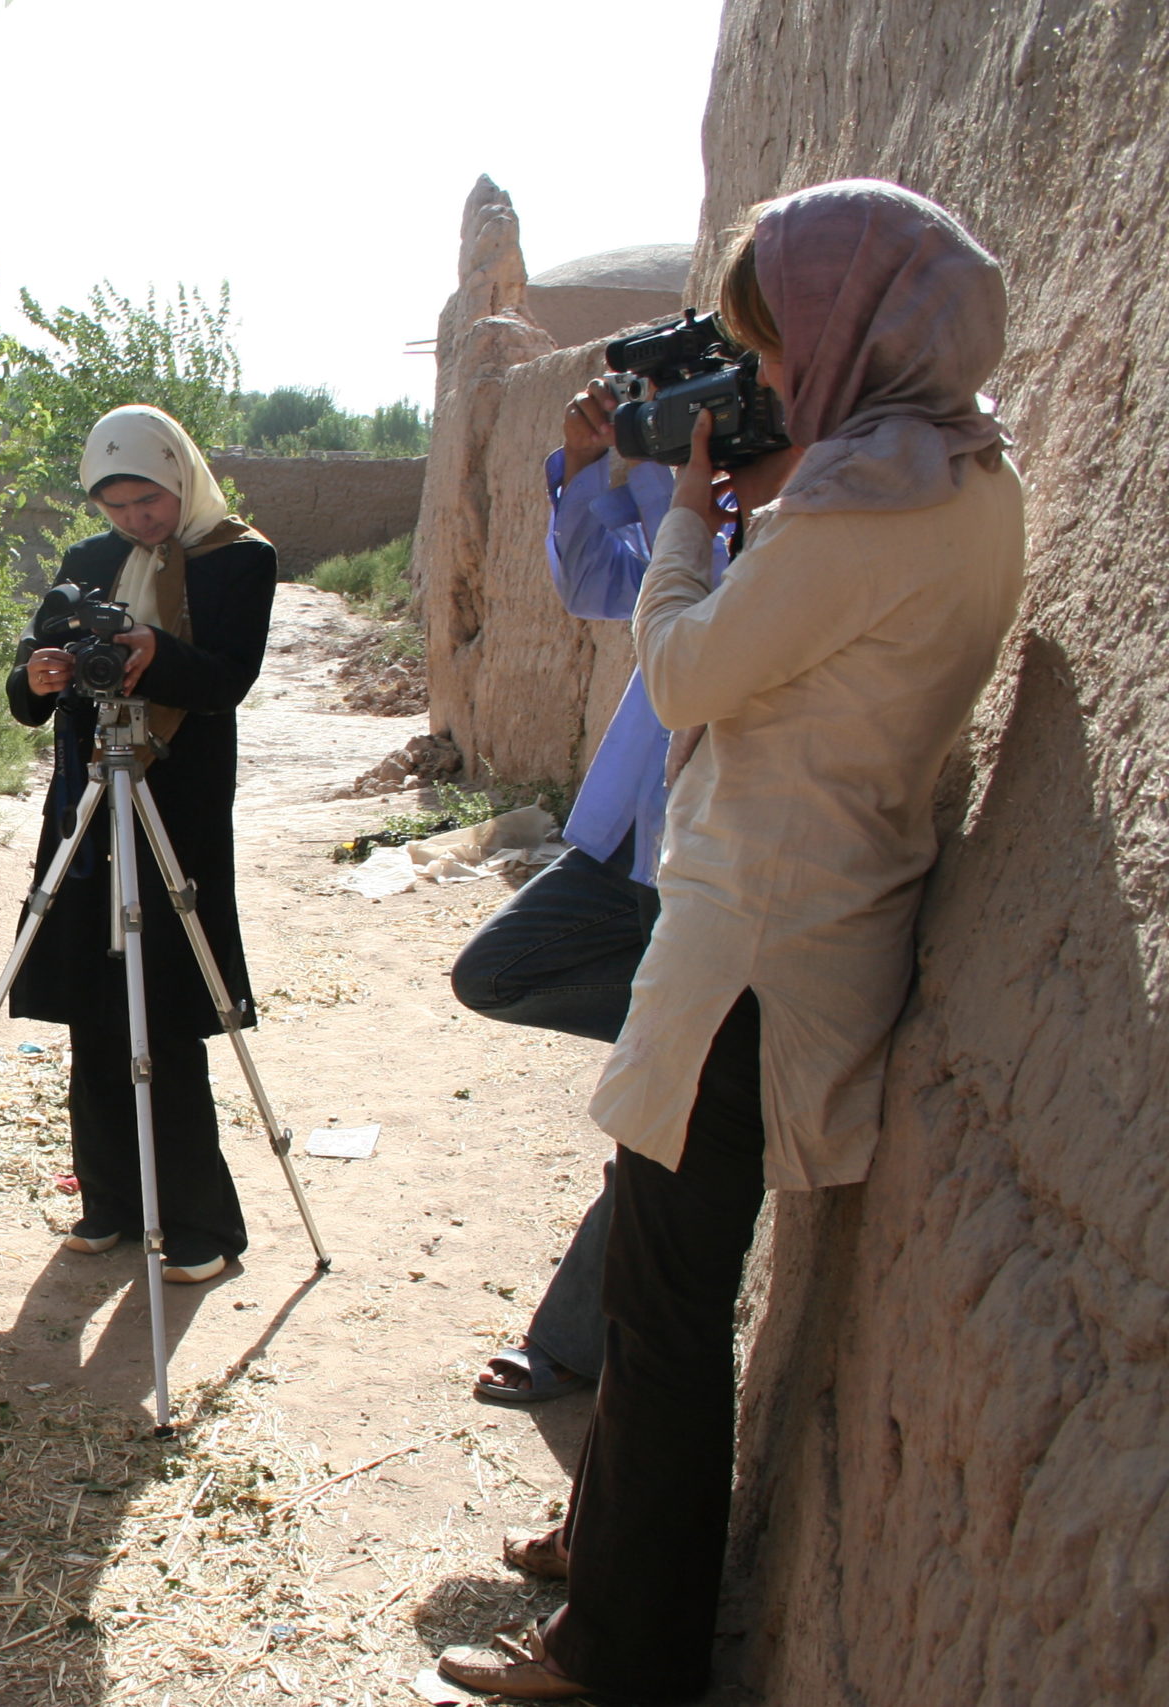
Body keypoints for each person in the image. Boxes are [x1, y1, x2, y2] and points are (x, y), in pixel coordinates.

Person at [439, 180, 1027, 1703]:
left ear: (841, 331)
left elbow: (691, 670)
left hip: (752, 950)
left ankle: (618, 1650)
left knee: (671, 1305)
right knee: (661, 1282)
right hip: (814, 918)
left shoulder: (860, 506)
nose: (759, 384)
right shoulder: (958, 479)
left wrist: (696, 511)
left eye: (773, 349)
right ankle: (602, 1536)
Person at [450, 386, 732, 1407]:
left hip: (717, 849)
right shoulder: (697, 496)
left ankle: (568, 1346)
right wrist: (594, 468)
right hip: (632, 838)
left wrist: (688, 495)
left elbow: (701, 624)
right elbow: (598, 588)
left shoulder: (799, 509)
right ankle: (693, 1032)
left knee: (655, 1127)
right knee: (495, 972)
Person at [7, 404, 276, 1286]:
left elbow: (226, 680)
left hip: (176, 807)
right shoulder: (88, 562)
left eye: (149, 501)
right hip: (88, 800)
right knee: (94, 1001)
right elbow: (34, 673)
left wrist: (156, 650)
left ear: (180, 476)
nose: (136, 522)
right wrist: (39, 675)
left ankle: (198, 1225)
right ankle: (112, 1202)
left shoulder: (239, 556)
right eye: (117, 506)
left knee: (162, 1006)